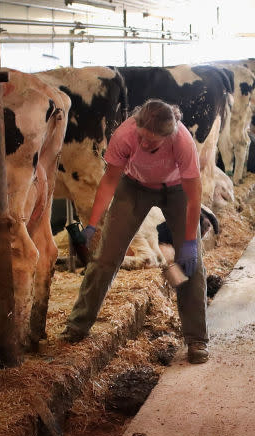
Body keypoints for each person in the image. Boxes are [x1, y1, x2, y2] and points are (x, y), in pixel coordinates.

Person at [62, 99, 209, 363]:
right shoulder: (126, 135)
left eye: (152, 142)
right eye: (141, 137)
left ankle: (196, 339)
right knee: (106, 257)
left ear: (168, 137)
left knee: (193, 265)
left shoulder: (182, 142)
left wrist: (188, 242)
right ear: (136, 126)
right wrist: (93, 224)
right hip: (134, 187)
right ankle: (77, 325)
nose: (143, 144)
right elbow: (108, 182)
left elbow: (194, 195)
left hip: (176, 191)